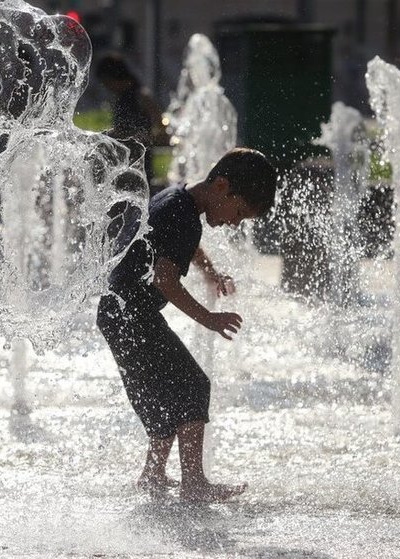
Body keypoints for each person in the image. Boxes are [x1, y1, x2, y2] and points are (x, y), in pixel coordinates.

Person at [97, 147, 277, 502]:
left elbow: (184, 246)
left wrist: (209, 271)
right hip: (132, 314)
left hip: (119, 312)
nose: (234, 223)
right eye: (238, 213)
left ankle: (153, 475)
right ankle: (194, 483)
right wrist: (208, 319)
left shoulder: (178, 200)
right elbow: (165, 279)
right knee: (193, 385)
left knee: (160, 397)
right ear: (222, 186)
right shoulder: (183, 215)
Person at [95, 53, 168, 188]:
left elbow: (161, 127)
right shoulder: (121, 97)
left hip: (140, 163)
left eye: (106, 82)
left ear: (114, 77)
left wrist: (145, 137)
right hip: (122, 162)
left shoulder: (141, 96)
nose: (106, 87)